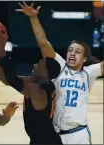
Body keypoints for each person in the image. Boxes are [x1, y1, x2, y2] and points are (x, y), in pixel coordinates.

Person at [15, 2, 104, 144]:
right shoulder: (60, 66)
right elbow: (43, 42)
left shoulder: (89, 73)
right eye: (70, 50)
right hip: (55, 135)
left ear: (84, 58)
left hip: (79, 134)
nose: (72, 54)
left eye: (78, 52)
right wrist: (33, 18)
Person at [0, 32, 63, 144]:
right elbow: (7, 80)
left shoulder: (36, 90)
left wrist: (2, 52)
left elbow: (13, 81)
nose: (34, 65)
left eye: (39, 64)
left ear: (44, 72)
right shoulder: (37, 83)